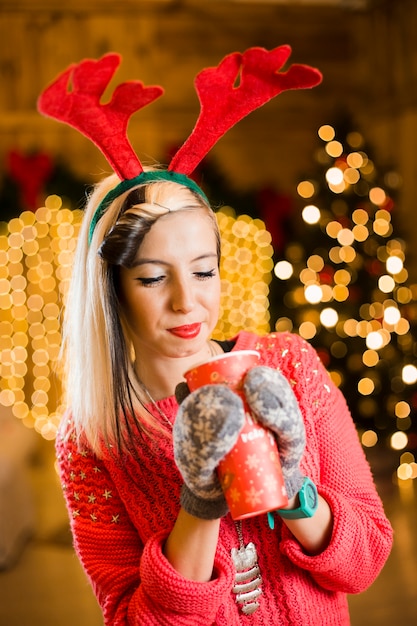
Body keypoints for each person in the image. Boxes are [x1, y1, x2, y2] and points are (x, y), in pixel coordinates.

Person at [55, 168, 393, 625]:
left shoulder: (289, 365)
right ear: (111, 289)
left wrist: (291, 483)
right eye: (153, 278)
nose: (186, 301)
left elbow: (366, 559)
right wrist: (199, 502)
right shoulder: (93, 437)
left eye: (202, 271)